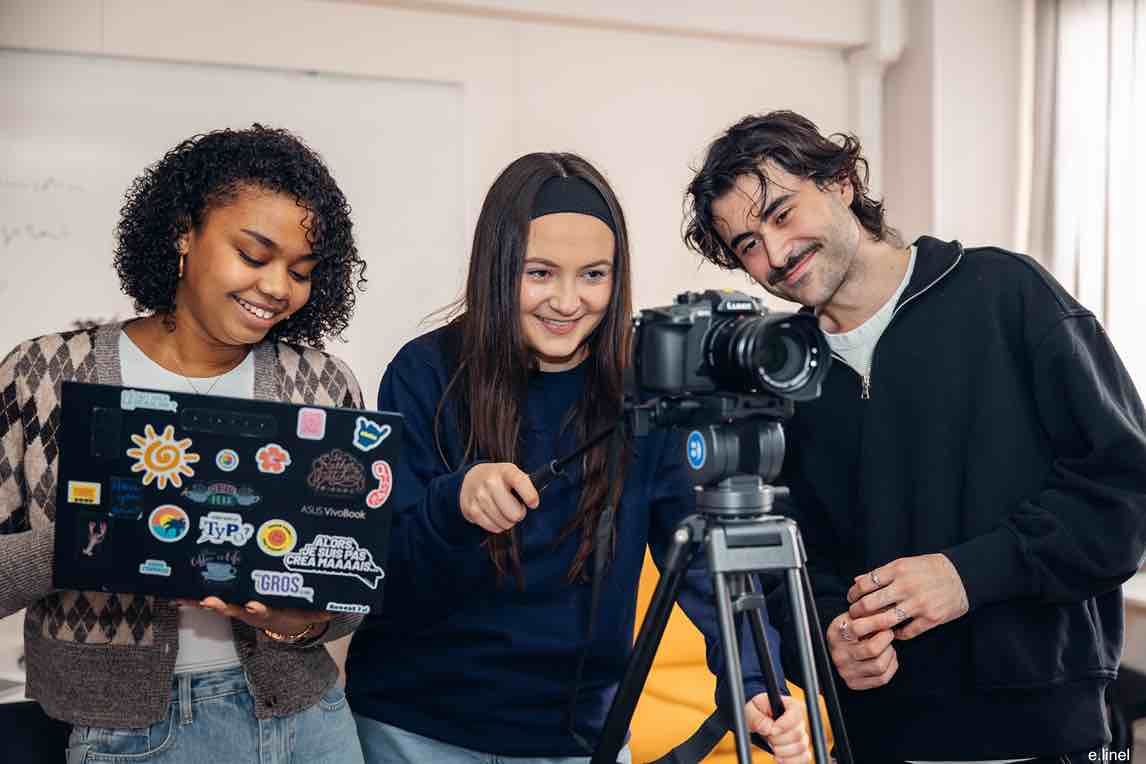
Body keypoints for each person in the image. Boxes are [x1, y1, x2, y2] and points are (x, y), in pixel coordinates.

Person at [682, 109, 1146, 762]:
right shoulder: (779, 376)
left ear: (841, 182)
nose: (776, 255)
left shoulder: (1006, 293)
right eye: (748, 245)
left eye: (783, 214)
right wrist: (829, 634)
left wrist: (967, 576)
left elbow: (1125, 496)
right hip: (876, 738)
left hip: (1046, 732)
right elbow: (785, 567)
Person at [346, 152, 810, 763]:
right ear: (497, 267)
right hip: (413, 728)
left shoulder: (646, 388)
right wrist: (453, 503)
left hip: (577, 736)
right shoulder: (425, 370)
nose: (568, 302)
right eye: (540, 273)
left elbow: (703, 555)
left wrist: (751, 684)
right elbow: (379, 569)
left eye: (594, 275)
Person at [0, 125, 370, 763]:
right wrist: (90, 542)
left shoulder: (321, 384)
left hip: (306, 721)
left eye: (301, 272)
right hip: (127, 733)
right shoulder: (45, 376)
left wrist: (296, 624)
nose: (278, 288)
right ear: (182, 234)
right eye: (253, 255)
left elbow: (347, 586)